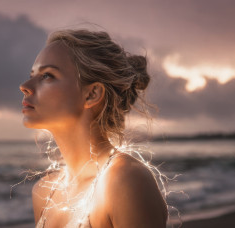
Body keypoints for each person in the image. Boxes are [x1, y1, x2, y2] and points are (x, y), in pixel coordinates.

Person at [19, 29, 168, 228]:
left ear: (92, 94)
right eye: (32, 75)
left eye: (47, 75)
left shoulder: (124, 181)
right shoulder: (44, 192)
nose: (25, 85)